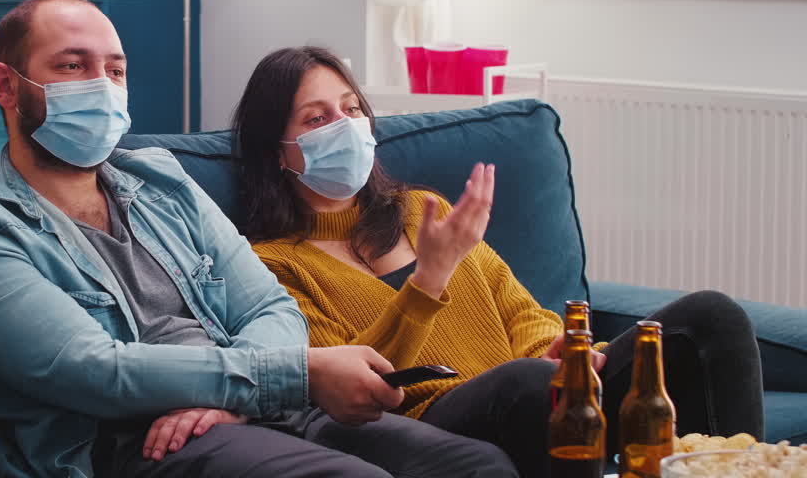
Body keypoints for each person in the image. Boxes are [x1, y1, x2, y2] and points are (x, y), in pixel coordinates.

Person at [0, 0, 517, 478]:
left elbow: (268, 305)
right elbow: (96, 371)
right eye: (72, 66)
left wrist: (234, 395)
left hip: (256, 412)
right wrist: (289, 376)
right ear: (6, 87)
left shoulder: (159, 178)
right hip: (135, 445)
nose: (102, 86)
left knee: (474, 464)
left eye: (115, 69)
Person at [231, 45, 765, 478]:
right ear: (277, 150)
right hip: (436, 422)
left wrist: (566, 355)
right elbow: (361, 389)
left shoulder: (422, 209)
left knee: (710, 318)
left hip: (538, 392)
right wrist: (429, 278)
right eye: (317, 118)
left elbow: (521, 314)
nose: (345, 126)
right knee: (529, 382)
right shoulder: (274, 266)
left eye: (351, 109)